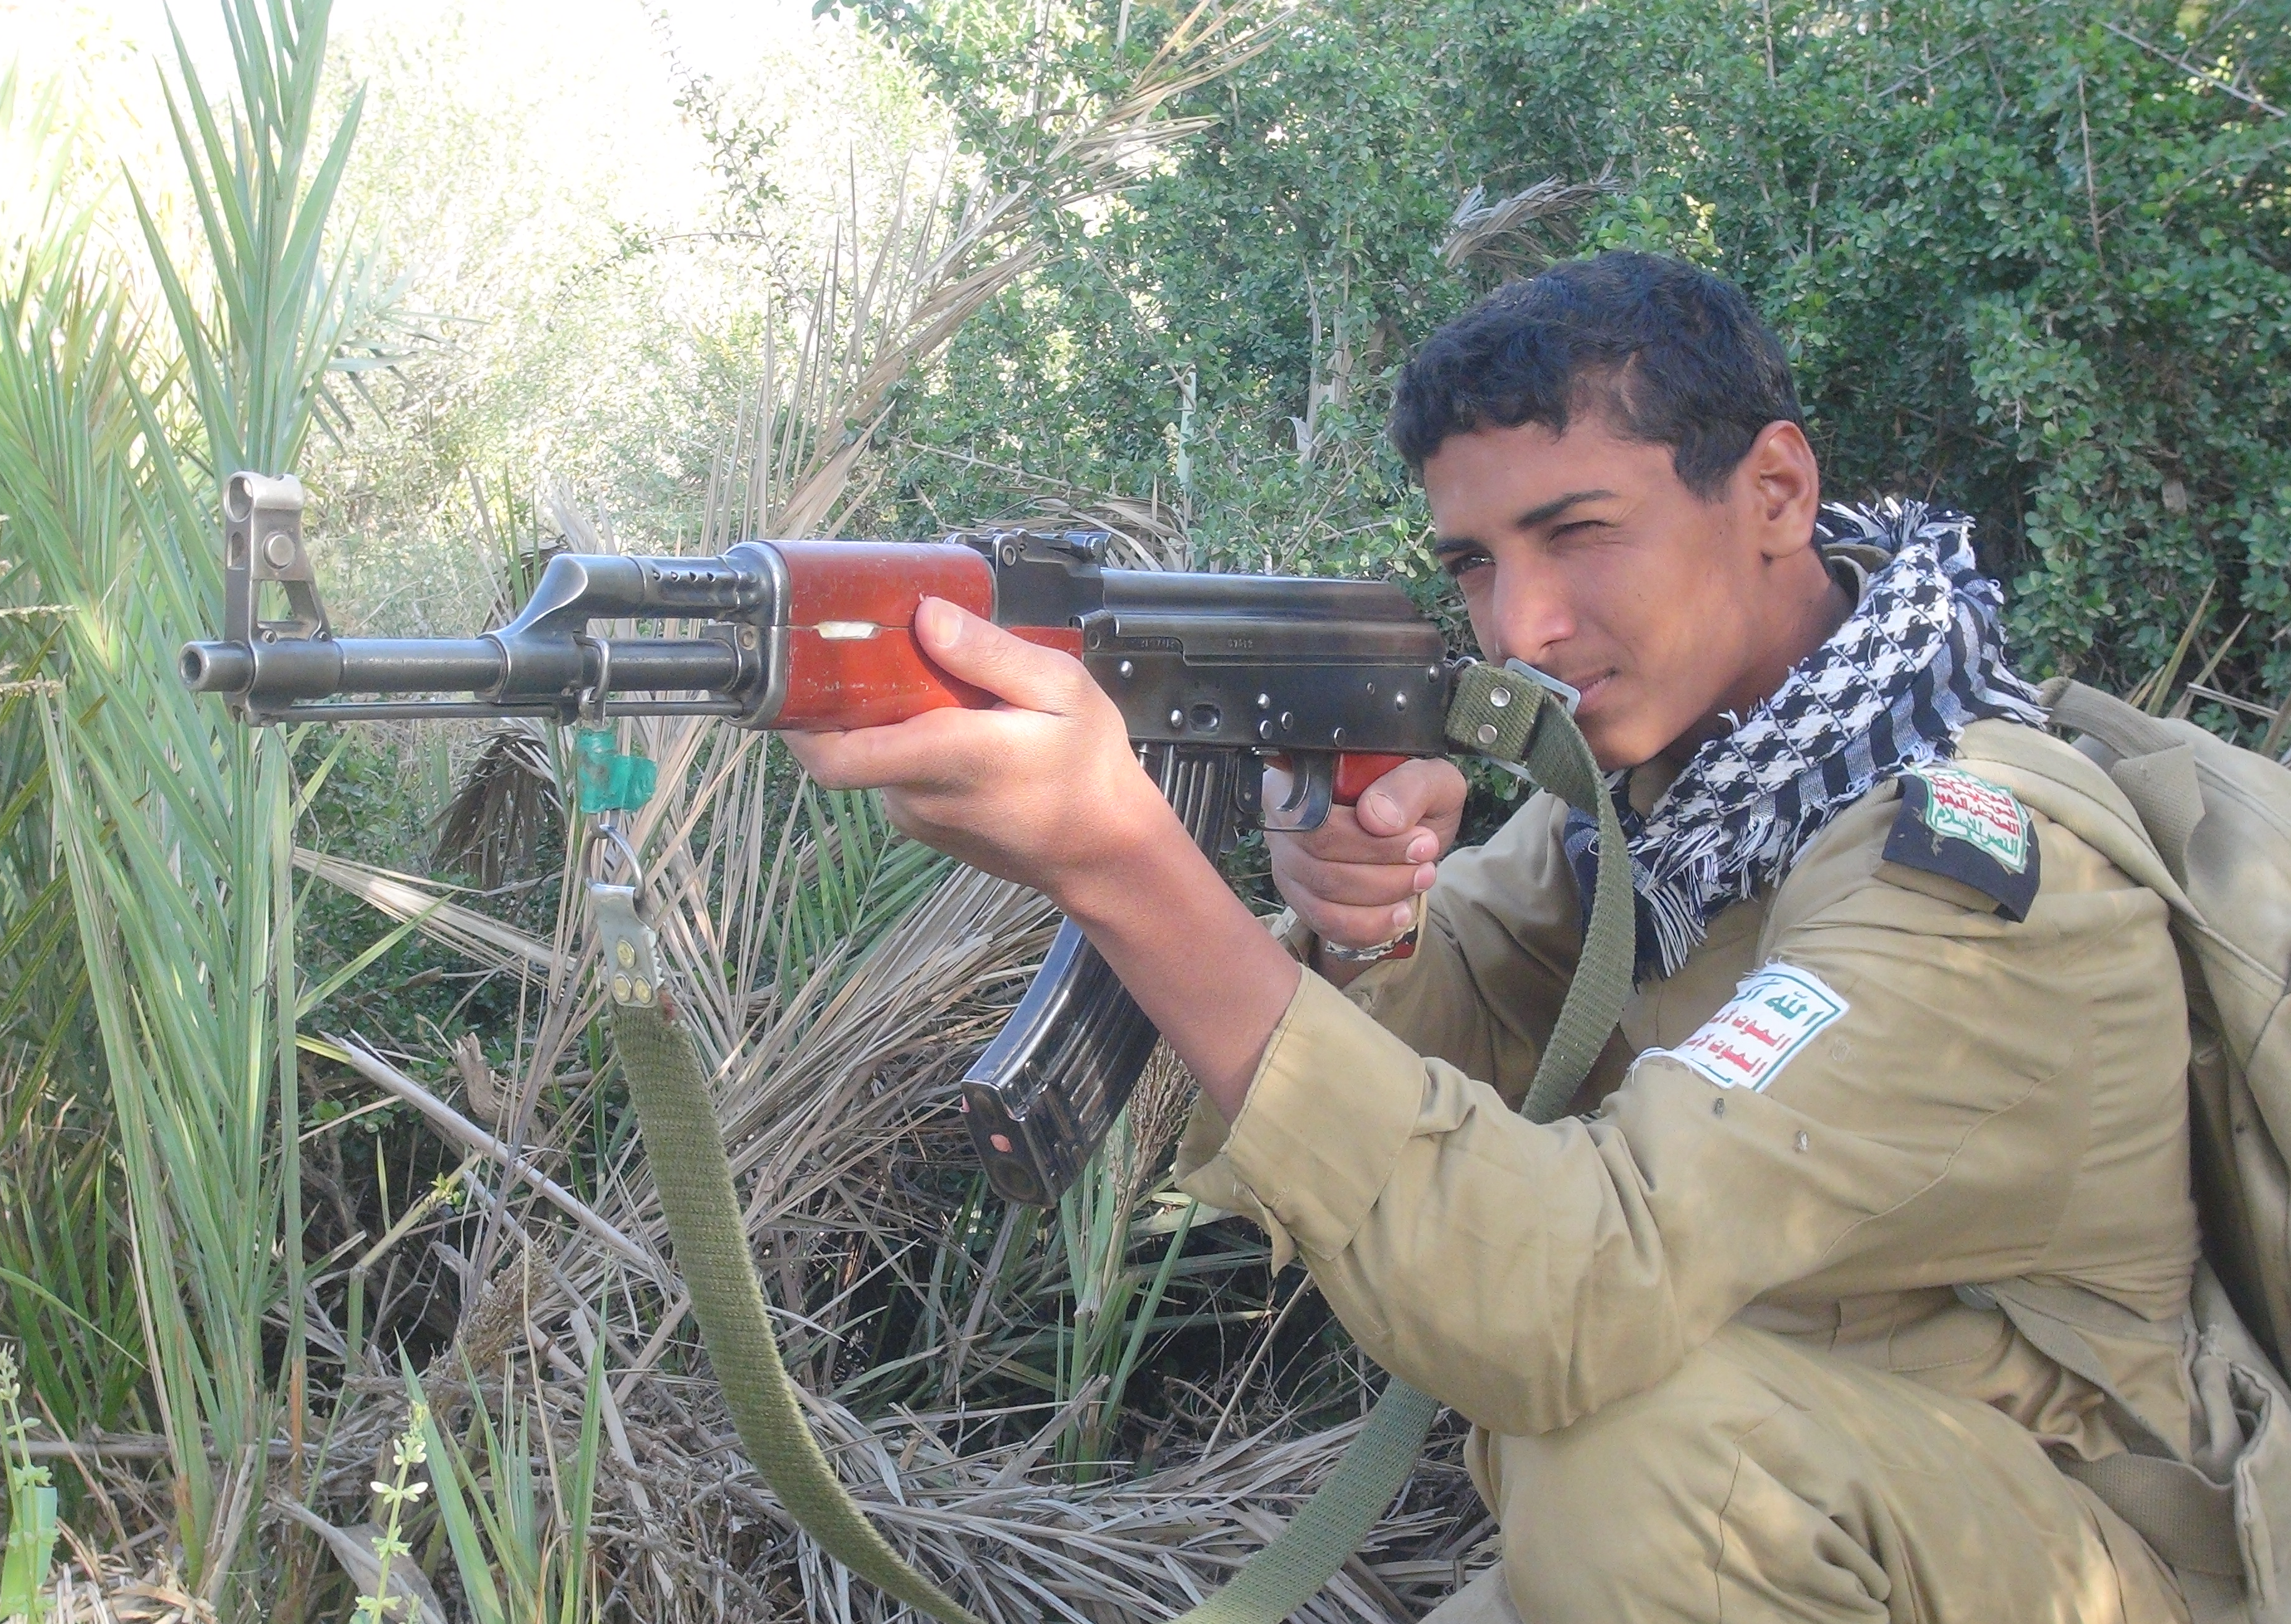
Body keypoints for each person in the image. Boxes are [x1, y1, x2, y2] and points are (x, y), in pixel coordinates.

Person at [787, 251, 2201, 1623]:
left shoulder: (1968, 873)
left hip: (2055, 1538)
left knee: (1638, 1470)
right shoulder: (1682, 797)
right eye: (1472, 562)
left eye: (1577, 532)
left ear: (1773, 491)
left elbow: (1569, 1295)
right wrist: (1363, 920)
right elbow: (1460, 1021)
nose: (1519, 624)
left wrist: (1125, 869)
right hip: (1788, 1481)